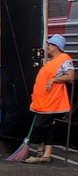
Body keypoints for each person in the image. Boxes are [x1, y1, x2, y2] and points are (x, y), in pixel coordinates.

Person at [23, 33, 74, 164]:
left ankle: (41, 152)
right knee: (47, 127)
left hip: (52, 101)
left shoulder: (64, 59)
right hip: (44, 101)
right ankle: (45, 154)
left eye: (50, 45)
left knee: (41, 126)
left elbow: (70, 76)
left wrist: (54, 79)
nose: (48, 47)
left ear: (57, 46)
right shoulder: (52, 61)